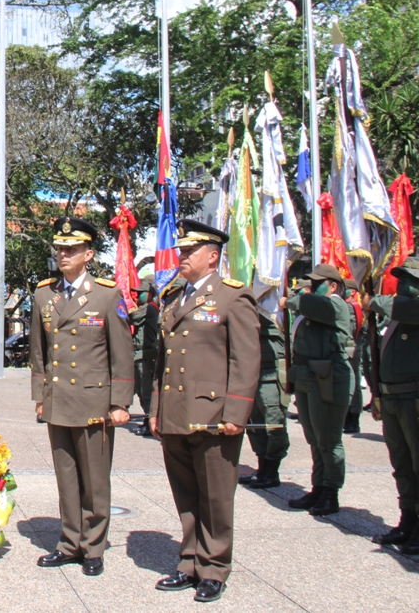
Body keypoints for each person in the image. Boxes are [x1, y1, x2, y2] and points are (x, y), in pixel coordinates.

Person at [149, 218, 260, 604]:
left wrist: (236, 413)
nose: (181, 255)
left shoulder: (233, 296)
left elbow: (246, 360)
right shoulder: (174, 296)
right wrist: (155, 410)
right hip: (176, 412)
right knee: (186, 494)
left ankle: (214, 568)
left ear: (212, 257)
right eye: (181, 250)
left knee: (215, 495)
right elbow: (161, 361)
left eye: (189, 251)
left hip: (215, 416)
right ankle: (189, 562)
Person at [29, 216, 134, 575]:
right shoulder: (45, 294)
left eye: (71, 249)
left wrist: (120, 402)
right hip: (58, 399)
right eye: (60, 249)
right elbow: (38, 352)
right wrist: (40, 395)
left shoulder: (106, 295)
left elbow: (122, 353)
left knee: (95, 479)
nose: (63, 254)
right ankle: (69, 542)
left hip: (94, 400)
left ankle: (93, 547)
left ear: (88, 254)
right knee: (67, 476)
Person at [282, 263, 354, 517]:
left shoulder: (336, 304)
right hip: (307, 377)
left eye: (316, 283)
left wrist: (291, 298)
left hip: (329, 378)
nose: (310, 288)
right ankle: (319, 486)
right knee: (314, 438)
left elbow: (301, 303)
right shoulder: (314, 304)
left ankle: (331, 491)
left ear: (333, 285)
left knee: (328, 439)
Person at [365, 257, 419, 554]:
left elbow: (396, 306)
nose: (402, 283)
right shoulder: (397, 315)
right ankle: (408, 519)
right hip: (394, 397)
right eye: (399, 277)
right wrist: (378, 396)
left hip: (414, 399)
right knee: (402, 465)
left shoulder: (407, 309)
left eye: (409, 278)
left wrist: (374, 301)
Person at [239, 308, 290, 489]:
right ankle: (262, 467)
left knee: (273, 423)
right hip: (252, 373)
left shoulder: (273, 307)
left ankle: (271, 470)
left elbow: (269, 321)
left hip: (271, 375)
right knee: (254, 424)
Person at [129, 277, 159, 437]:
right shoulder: (145, 307)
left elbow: (131, 317)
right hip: (138, 352)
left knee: (145, 388)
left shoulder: (149, 308)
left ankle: (149, 419)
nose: (137, 296)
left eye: (141, 293)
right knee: (137, 387)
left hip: (145, 352)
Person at [342, 277, 367, 434]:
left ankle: (353, 418)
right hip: (350, 348)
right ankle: (348, 417)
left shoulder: (351, 307)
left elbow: (348, 331)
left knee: (354, 383)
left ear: (352, 292)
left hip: (351, 349)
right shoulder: (349, 306)